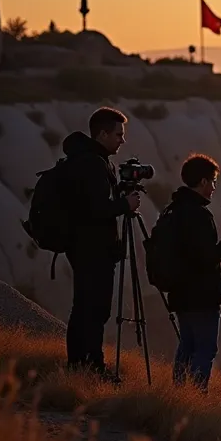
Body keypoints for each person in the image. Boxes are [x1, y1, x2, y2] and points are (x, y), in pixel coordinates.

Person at [63, 107, 141, 374]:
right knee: (94, 310)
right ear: (103, 133)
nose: (122, 140)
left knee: (85, 307)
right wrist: (124, 204)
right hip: (92, 249)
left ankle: (80, 365)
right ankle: (91, 366)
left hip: (85, 247)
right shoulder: (93, 163)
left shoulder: (90, 159)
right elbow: (95, 209)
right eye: (118, 134)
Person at [165, 154, 221, 390]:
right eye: (212, 182)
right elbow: (207, 257)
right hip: (201, 295)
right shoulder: (198, 214)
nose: (213, 188)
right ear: (202, 182)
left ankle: (179, 394)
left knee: (187, 345)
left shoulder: (175, 209)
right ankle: (196, 395)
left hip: (180, 292)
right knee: (205, 348)